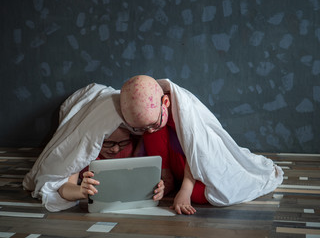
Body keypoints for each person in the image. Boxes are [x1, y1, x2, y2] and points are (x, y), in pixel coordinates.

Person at [120, 75, 283, 215]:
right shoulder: (149, 119)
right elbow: (144, 139)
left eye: (152, 123)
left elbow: (197, 151)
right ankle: (167, 178)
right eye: (140, 128)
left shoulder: (186, 112)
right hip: (172, 160)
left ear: (166, 102)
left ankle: (180, 184)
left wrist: (185, 190)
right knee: (153, 133)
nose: (148, 130)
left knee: (203, 194)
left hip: (192, 162)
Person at [58, 127, 165, 202]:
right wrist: (81, 191)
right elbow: (63, 188)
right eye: (108, 143)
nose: (115, 149)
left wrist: (155, 188)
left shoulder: (130, 148)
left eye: (122, 143)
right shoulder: (83, 152)